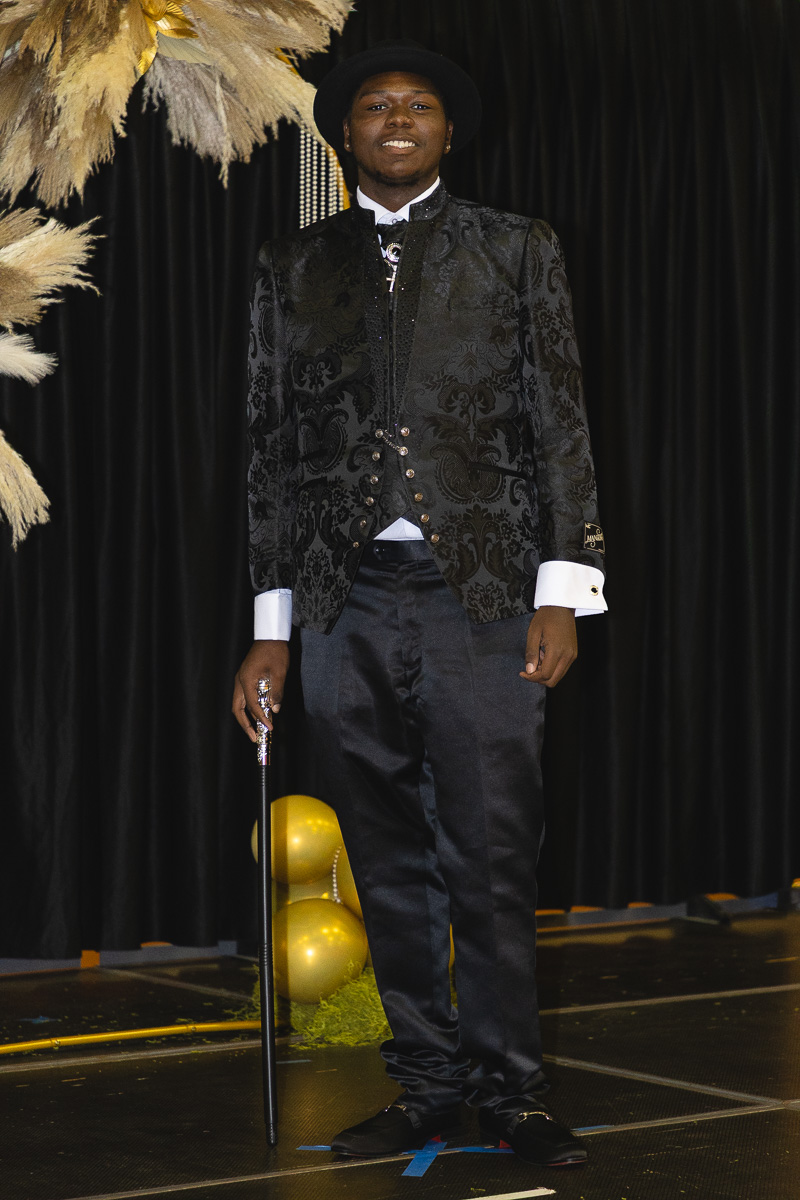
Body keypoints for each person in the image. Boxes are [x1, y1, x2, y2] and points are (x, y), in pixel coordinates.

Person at [232, 40, 606, 1168]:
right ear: (345, 134)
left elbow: (560, 425)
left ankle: (510, 1088)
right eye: (375, 107)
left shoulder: (514, 248)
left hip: (483, 599)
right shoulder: (292, 265)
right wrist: (268, 633)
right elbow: (268, 457)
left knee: (490, 856)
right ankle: (428, 1084)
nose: (397, 119)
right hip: (343, 602)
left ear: (447, 132)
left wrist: (564, 594)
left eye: (419, 106)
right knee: (384, 860)